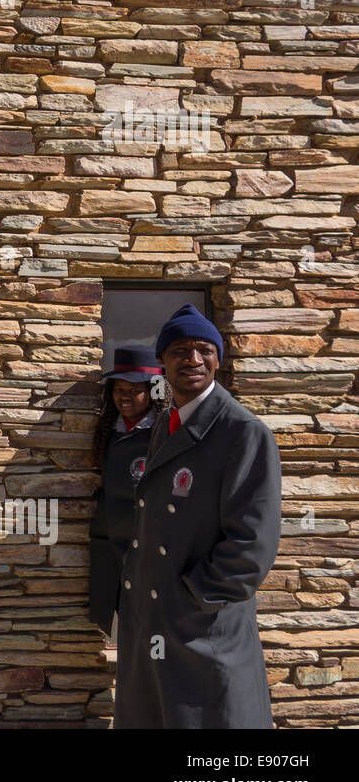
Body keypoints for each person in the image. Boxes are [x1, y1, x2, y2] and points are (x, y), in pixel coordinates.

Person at [115, 304, 282, 729]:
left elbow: (250, 549)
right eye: (180, 350)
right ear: (163, 362)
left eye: (203, 349)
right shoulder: (165, 423)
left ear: (218, 359)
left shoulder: (243, 432)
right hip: (155, 624)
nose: (192, 359)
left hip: (201, 630)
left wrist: (190, 599)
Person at [88, 346, 168, 636]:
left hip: (149, 545)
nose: (124, 396)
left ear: (152, 391)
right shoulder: (108, 431)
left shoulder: (164, 433)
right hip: (111, 543)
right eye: (118, 388)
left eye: (134, 389)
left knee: (152, 625)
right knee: (118, 624)